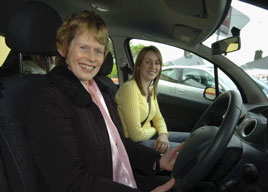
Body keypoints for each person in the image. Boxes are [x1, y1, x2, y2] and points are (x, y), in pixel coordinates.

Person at [27, 10, 182, 192]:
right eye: (83, 48)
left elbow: (118, 146)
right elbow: (69, 182)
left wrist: (157, 161)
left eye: (98, 51)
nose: (92, 58)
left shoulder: (100, 90)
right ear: (63, 49)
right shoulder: (50, 100)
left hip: (122, 180)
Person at [115, 46, 189, 154]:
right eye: (148, 62)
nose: (153, 67)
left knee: (194, 138)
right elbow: (136, 135)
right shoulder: (130, 89)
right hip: (134, 144)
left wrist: (163, 135)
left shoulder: (150, 90)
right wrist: (155, 129)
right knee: (189, 150)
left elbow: (158, 118)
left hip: (148, 136)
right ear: (139, 65)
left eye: (157, 63)